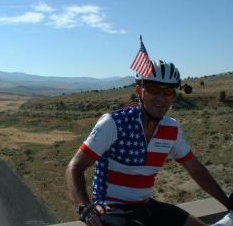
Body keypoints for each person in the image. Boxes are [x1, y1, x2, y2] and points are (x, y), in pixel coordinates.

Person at [66, 60, 233, 226]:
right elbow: (74, 167)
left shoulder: (172, 128)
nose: (160, 97)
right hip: (110, 207)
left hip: (145, 204)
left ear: (173, 96)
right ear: (140, 91)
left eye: (167, 91)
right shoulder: (114, 123)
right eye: (153, 89)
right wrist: (84, 206)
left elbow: (195, 169)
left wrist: (227, 202)